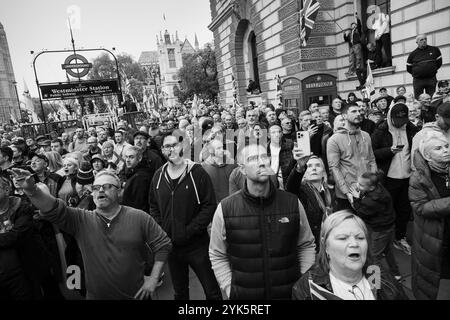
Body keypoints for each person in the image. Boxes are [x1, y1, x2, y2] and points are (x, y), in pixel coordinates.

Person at [10, 169, 172, 300]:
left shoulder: (139, 217)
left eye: (107, 186)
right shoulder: (80, 219)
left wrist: (154, 278)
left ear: (119, 191)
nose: (100, 190)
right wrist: (32, 190)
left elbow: (163, 244)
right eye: (96, 187)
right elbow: (51, 208)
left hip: (137, 295)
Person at [210, 144, 316, 299]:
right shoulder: (226, 208)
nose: (261, 162)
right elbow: (217, 253)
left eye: (264, 157)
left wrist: (302, 282)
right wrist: (229, 288)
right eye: (252, 158)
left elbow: (306, 244)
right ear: (242, 169)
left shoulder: (292, 203)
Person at [149, 135, 222, 300]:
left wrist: (190, 230)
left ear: (181, 147)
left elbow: (209, 205)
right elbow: (153, 206)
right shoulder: (158, 176)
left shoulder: (197, 172)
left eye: (174, 145)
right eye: (167, 146)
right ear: (162, 151)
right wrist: (162, 229)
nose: (171, 149)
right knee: (180, 293)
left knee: (212, 291)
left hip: (197, 245)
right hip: (172, 246)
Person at [292, 210, 407, 300]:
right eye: (343, 238)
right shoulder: (308, 288)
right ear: (326, 245)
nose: (354, 243)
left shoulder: (376, 273)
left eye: (360, 238)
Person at [409, 132, 450, 299]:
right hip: (431, 236)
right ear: (427, 155)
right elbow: (420, 207)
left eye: (447, 146)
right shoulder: (418, 178)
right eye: (438, 148)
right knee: (427, 279)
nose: (446, 150)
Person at [349, 172, 401, 280]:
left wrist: (356, 198)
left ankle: (374, 284)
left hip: (380, 230)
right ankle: (396, 273)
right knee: (387, 251)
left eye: (361, 185)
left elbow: (361, 212)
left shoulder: (371, 201)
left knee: (373, 257)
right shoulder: (379, 188)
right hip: (388, 226)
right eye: (358, 183)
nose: (358, 186)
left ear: (372, 187)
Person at [327, 103, 377, 210]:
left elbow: (372, 160)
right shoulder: (334, 140)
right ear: (344, 116)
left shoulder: (366, 135)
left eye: (359, 111)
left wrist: (374, 182)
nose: (358, 114)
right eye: (354, 111)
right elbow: (334, 168)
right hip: (347, 194)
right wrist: (346, 192)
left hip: (368, 190)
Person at [286, 151, 334, 251]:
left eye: (317, 165)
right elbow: (290, 187)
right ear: (304, 172)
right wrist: (299, 167)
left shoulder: (331, 192)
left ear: (323, 171)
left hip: (331, 244)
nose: (314, 168)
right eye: (310, 166)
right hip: (311, 246)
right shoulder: (300, 190)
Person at [407, 34, 443, 99]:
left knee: (432, 98)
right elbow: (408, 68)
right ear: (417, 42)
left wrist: (431, 70)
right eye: (421, 40)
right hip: (418, 80)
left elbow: (439, 63)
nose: (424, 41)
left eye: (425, 39)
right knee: (418, 99)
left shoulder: (434, 50)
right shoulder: (413, 54)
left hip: (431, 79)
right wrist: (418, 73)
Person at [122, 146, 154, 213]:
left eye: (131, 157)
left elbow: (138, 203)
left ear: (139, 158)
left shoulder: (141, 177)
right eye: (126, 157)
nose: (127, 160)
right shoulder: (134, 172)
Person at [344, 13, 365, 87]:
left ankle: (358, 67)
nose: (353, 25)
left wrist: (357, 18)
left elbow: (359, 25)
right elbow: (346, 40)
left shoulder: (357, 31)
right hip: (352, 46)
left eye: (354, 24)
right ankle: (351, 70)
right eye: (352, 25)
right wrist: (344, 35)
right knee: (351, 58)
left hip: (357, 45)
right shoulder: (350, 33)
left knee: (358, 57)